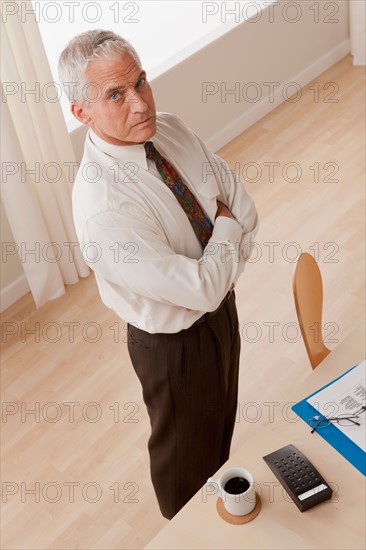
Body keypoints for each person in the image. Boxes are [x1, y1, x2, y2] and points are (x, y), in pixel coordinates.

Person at [58, 29, 258, 520]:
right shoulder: (103, 208)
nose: (141, 103)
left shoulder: (170, 129)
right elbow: (208, 274)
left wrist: (217, 268)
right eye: (115, 95)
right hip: (173, 350)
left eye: (141, 81)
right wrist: (223, 237)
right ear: (81, 113)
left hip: (221, 315)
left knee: (221, 440)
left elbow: (245, 207)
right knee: (184, 469)